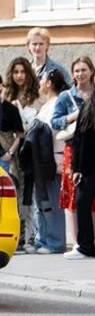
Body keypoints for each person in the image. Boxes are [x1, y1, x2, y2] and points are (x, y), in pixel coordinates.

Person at [22, 68, 68, 253]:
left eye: (41, 79)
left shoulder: (57, 102)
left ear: (49, 83)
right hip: (41, 159)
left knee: (51, 201)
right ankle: (42, 239)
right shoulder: (48, 103)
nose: (39, 82)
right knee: (41, 202)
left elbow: (53, 131)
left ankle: (55, 242)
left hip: (51, 160)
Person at [53, 55, 94, 246]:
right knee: (75, 196)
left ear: (92, 71)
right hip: (74, 150)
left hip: (92, 147)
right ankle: (78, 242)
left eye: (84, 69)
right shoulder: (66, 96)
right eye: (77, 70)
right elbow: (55, 121)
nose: (80, 74)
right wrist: (73, 117)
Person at [2, 56, 40, 250]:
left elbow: (35, 125)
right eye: (16, 72)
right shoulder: (7, 96)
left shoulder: (35, 96)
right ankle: (19, 234)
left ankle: (31, 236)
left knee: (29, 193)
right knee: (15, 191)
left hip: (31, 150)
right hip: (12, 150)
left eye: (23, 72)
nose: (19, 76)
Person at [67, 98, 95, 259]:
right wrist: (76, 167)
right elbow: (78, 138)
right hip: (88, 167)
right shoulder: (88, 105)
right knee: (81, 202)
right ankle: (86, 246)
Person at [0, 71, 23, 175]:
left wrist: (10, 153)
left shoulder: (11, 109)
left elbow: (20, 135)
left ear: (0, 86)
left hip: (4, 157)